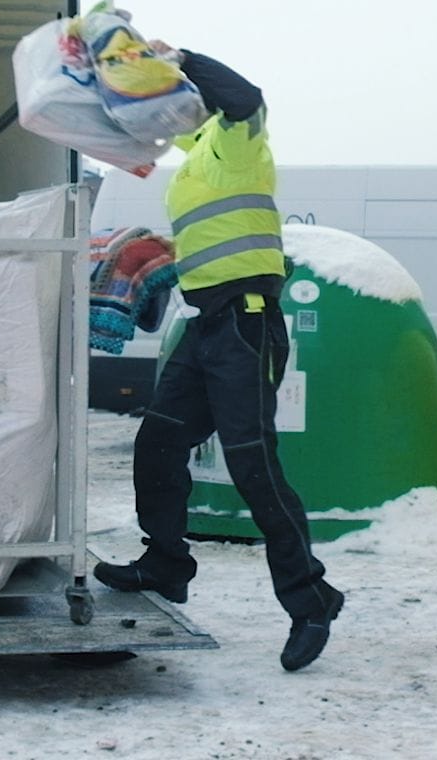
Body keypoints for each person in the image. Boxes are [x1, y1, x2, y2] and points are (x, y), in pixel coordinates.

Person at [93, 44, 344, 672]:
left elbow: (245, 96)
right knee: (158, 443)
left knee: (251, 465)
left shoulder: (238, 139)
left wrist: (180, 57)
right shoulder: (197, 158)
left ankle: (310, 599)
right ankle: (166, 564)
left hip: (247, 323)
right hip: (206, 325)